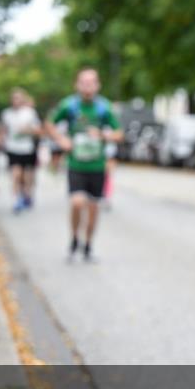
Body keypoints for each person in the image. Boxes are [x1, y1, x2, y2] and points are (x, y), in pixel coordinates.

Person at [46, 68, 122, 262]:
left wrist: (104, 135)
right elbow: (49, 123)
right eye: (84, 82)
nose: (88, 87)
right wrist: (62, 140)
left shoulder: (104, 108)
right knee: (77, 203)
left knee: (93, 208)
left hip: (97, 166)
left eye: (92, 83)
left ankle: (88, 245)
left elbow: (119, 133)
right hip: (76, 164)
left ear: (98, 85)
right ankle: (74, 238)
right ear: (77, 85)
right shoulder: (69, 106)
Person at [0, 88, 42, 212]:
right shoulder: (6, 113)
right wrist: (0, 139)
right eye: (14, 98)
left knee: (27, 176)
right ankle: (17, 199)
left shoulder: (30, 112)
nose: (16, 101)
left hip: (27, 149)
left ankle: (27, 194)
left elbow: (38, 130)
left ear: (22, 99)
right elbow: (2, 129)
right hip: (12, 148)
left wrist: (27, 130)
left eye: (18, 98)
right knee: (16, 174)